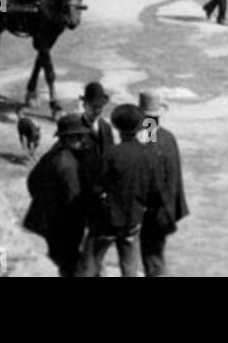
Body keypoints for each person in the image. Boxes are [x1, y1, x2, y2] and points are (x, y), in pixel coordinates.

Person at [81, 104, 157, 277]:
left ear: (116, 127)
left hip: (108, 219)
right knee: (130, 265)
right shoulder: (148, 154)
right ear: (139, 128)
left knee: (90, 261)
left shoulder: (111, 154)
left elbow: (96, 187)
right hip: (134, 218)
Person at [23, 113, 89, 277]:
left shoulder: (54, 152)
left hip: (41, 220)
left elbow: (32, 180)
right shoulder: (67, 164)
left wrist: (42, 201)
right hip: (59, 226)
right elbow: (73, 199)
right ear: (66, 138)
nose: (82, 140)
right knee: (66, 265)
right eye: (78, 137)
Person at [137, 91, 189, 278]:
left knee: (152, 259)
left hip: (155, 213)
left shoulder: (150, 144)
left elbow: (155, 182)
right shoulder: (167, 137)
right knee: (156, 256)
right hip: (169, 210)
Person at [77, 81, 115, 256]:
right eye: (93, 106)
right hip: (82, 198)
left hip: (101, 199)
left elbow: (111, 159)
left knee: (96, 247)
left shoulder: (106, 128)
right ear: (84, 105)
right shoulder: (75, 131)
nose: (97, 110)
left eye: (100, 107)